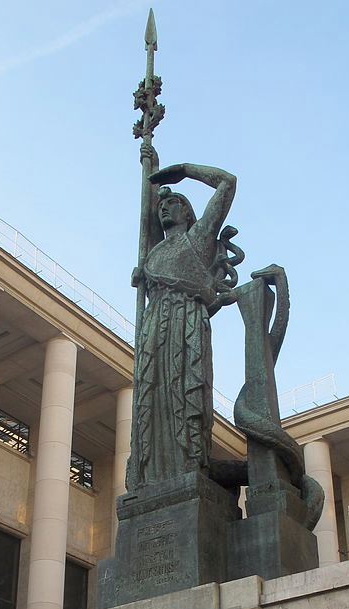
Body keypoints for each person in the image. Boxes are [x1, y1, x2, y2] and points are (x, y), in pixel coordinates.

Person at [126, 153, 237, 490]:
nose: (164, 208)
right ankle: (152, 476)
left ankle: (188, 465)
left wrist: (186, 172)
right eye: (163, 205)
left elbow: (227, 183)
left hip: (184, 321)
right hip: (154, 324)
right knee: (152, 393)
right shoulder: (154, 251)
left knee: (181, 393)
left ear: (187, 212)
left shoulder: (199, 238)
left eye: (173, 203)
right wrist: (150, 165)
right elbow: (146, 212)